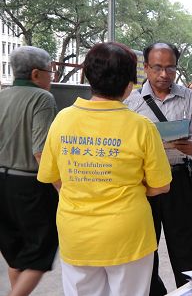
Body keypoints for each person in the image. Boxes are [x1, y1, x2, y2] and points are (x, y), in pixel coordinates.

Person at [37, 42, 171, 296]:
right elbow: (160, 185)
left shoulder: (63, 119)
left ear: (89, 77)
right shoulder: (141, 127)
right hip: (128, 236)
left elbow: (52, 176)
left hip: (76, 235)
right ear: (129, 85)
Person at [124, 42, 192, 294]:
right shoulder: (131, 100)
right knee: (147, 251)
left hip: (179, 179)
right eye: (157, 67)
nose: (163, 74)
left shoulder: (188, 97)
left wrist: (190, 146)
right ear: (146, 67)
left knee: (185, 250)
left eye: (170, 68)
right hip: (144, 185)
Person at [0, 46, 59, 296]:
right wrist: (63, 188)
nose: (52, 77)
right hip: (29, 187)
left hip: (1, 184)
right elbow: (41, 151)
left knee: (15, 255)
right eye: (50, 72)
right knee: (40, 253)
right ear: (36, 74)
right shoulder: (42, 98)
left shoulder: (2, 96)